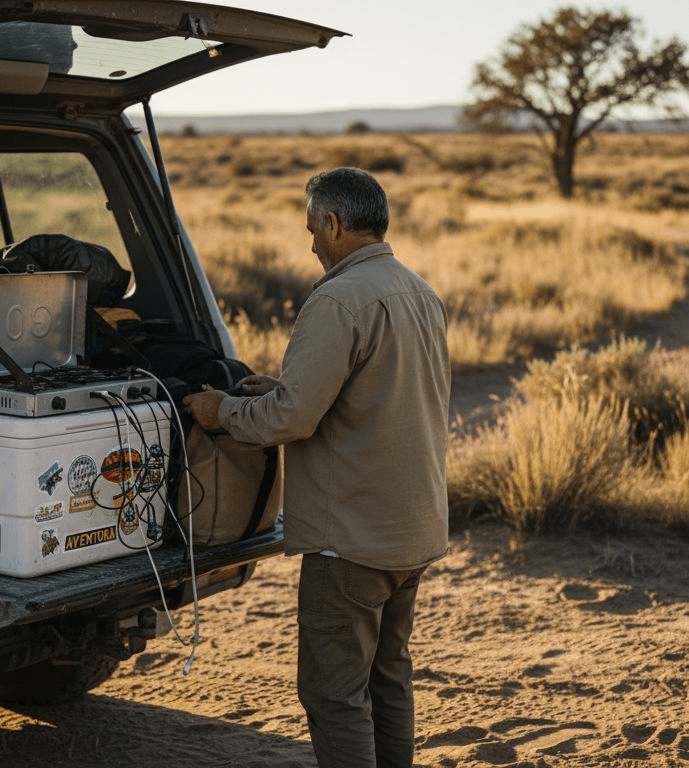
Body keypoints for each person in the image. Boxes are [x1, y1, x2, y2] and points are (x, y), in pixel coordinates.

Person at [183, 166, 450, 768]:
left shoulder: (336, 299)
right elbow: (377, 396)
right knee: (389, 680)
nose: (309, 244)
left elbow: (291, 421)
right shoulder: (419, 291)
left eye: (312, 228)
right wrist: (281, 389)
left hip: (350, 540)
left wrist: (222, 410)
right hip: (411, 528)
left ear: (332, 223)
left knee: (334, 694)